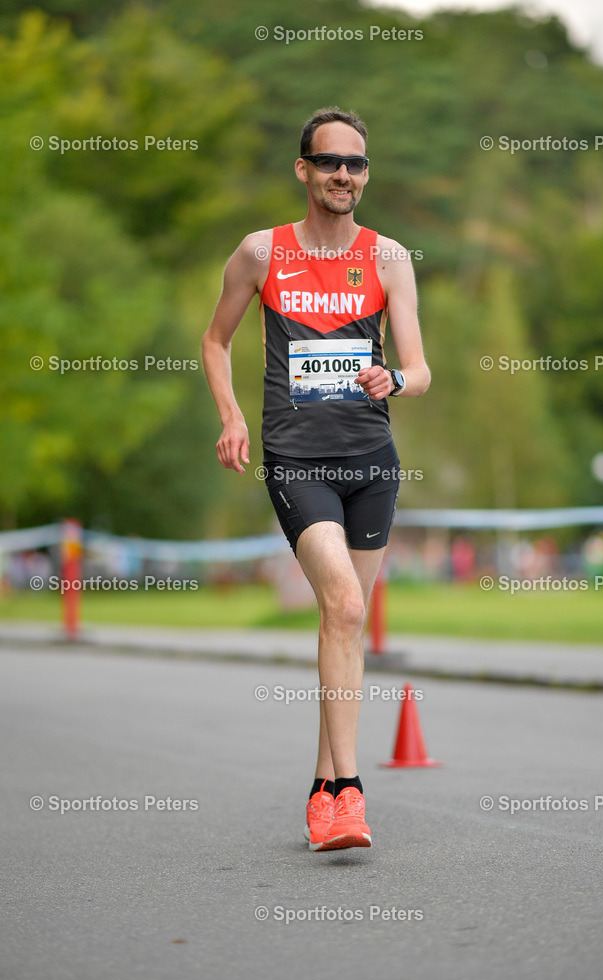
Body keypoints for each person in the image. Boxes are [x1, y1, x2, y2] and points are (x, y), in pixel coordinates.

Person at [202, 107, 430, 851]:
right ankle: (350, 792)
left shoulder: (389, 258)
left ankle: (320, 789)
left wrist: (391, 377)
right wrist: (232, 415)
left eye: (355, 164)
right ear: (303, 170)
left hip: (372, 461)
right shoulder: (261, 253)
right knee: (341, 602)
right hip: (297, 459)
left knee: (346, 620)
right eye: (329, 162)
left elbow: (421, 371)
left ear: (365, 174)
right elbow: (215, 340)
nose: (343, 175)